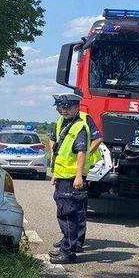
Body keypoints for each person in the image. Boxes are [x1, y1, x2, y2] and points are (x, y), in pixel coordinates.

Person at [48, 92, 102, 263]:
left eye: (66, 107)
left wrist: (79, 174)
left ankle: (70, 249)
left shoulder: (81, 124)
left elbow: (82, 151)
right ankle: (67, 245)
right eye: (60, 107)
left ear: (76, 106)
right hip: (64, 174)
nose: (62, 110)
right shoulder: (62, 122)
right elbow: (57, 147)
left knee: (71, 212)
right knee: (64, 211)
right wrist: (55, 173)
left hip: (73, 175)